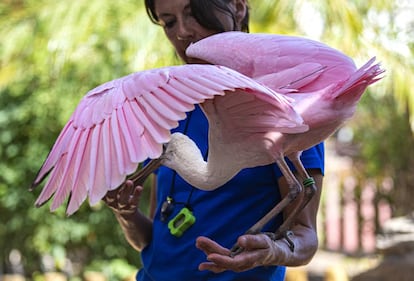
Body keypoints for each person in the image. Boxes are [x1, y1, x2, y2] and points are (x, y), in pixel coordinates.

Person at [103, 0, 324, 280]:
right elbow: (152, 239)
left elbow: (305, 237)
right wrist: (126, 213)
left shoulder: (281, 103)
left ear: (238, 7)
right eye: (169, 22)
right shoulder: (168, 109)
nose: (183, 32)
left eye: (194, 13)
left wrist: (272, 251)